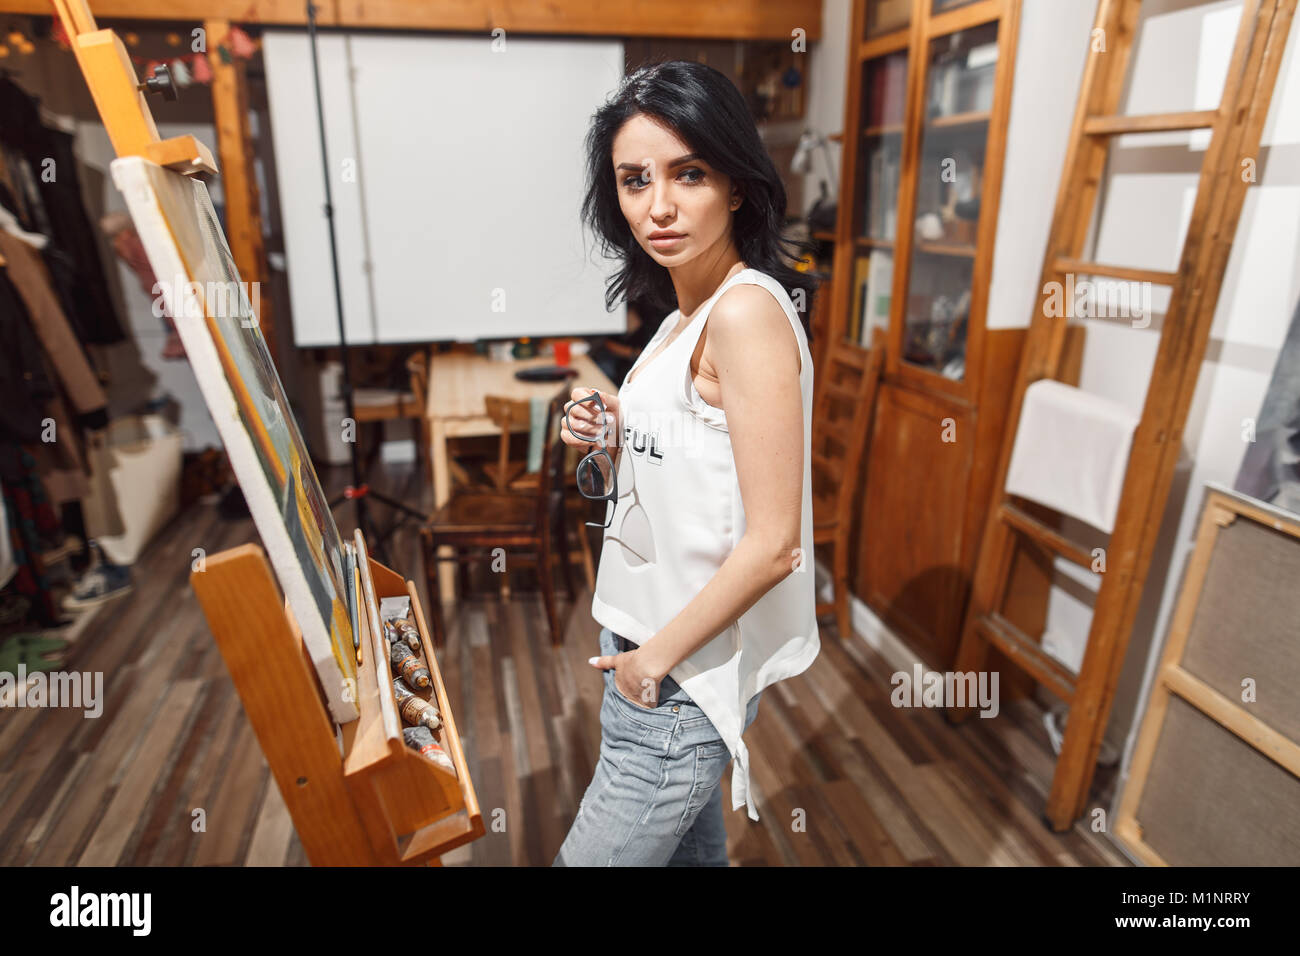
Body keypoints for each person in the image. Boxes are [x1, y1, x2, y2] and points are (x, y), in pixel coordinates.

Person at [553, 60, 821, 866]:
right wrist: (609, 434)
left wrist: (652, 665)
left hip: (676, 680)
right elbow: (693, 465)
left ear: (737, 185)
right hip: (648, 649)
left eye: (689, 173)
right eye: (635, 180)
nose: (657, 205)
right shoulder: (683, 319)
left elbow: (775, 543)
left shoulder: (743, 313)